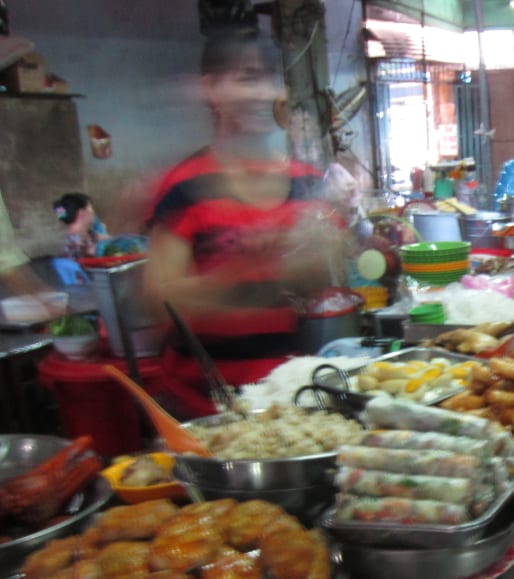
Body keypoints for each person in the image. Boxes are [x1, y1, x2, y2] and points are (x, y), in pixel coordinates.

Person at [146, 26, 344, 416]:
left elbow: (326, 281)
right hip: (208, 405)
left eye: (270, 78)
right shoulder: (185, 185)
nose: (261, 92)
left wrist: (329, 253)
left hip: (295, 399)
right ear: (212, 89)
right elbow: (160, 300)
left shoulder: (305, 181)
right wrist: (258, 274)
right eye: (246, 78)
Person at [53, 192, 109, 259]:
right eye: (90, 208)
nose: (93, 212)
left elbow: (108, 239)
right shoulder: (73, 240)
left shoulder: (89, 234)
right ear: (81, 213)